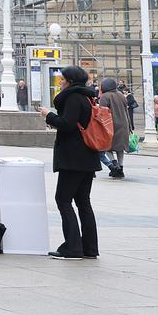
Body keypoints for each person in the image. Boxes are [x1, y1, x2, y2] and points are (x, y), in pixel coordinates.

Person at [41, 64, 100, 259]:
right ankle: (90, 248)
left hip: (74, 159)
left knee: (63, 200)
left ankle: (73, 247)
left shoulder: (73, 98)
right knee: (83, 202)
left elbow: (67, 125)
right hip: (87, 157)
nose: (60, 82)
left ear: (71, 81)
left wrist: (48, 115)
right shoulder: (86, 96)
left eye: (63, 79)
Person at [100, 78, 130, 179]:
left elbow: (102, 113)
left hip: (111, 125)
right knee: (120, 148)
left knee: (107, 147)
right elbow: (126, 110)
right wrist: (130, 126)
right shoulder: (121, 95)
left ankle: (114, 165)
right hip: (124, 124)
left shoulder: (105, 96)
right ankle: (121, 168)